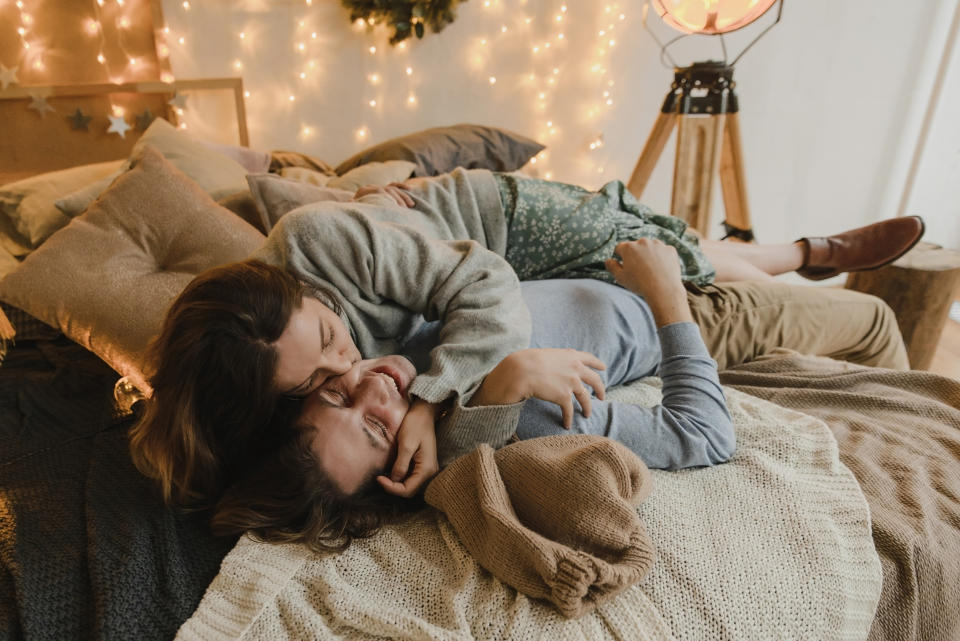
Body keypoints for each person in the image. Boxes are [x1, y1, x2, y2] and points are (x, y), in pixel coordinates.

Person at [128, 168, 922, 509]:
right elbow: (699, 433)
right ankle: (806, 267)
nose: (363, 370)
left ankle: (798, 252)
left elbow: (483, 288)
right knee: (865, 315)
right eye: (328, 388)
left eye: (336, 340)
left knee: (654, 236)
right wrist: (480, 402)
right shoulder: (444, 442)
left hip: (499, 227)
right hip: (657, 315)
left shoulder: (308, 252)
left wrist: (432, 396)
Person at [211, 237, 734, 550]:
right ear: (402, 474)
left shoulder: (400, 353)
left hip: (593, 266)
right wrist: (667, 294)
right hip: (689, 309)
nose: (368, 385)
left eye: (334, 397)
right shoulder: (526, 418)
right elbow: (703, 435)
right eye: (374, 426)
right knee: (793, 285)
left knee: (745, 252)